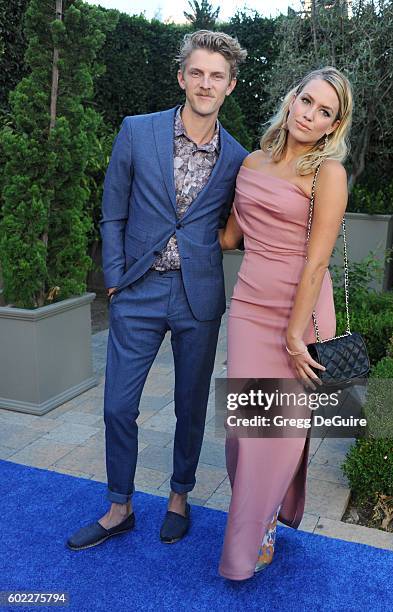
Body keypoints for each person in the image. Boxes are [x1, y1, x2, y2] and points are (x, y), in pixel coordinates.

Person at [66, 30, 248, 551]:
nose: (205, 83)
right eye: (197, 72)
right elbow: (113, 209)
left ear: (230, 86)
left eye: (216, 76)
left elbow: (236, 225)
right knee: (118, 406)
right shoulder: (137, 131)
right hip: (138, 290)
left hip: (199, 298)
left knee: (190, 406)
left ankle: (179, 497)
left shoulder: (238, 158)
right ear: (181, 77)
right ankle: (119, 506)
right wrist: (116, 281)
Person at [217, 66, 353, 580]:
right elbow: (230, 237)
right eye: (308, 101)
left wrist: (297, 336)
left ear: (332, 126)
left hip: (303, 311)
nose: (311, 115)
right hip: (251, 307)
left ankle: (249, 542)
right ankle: (265, 510)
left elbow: (316, 263)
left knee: (280, 432)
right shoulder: (251, 162)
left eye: (325, 112)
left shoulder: (328, 174)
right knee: (245, 431)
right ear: (291, 99)